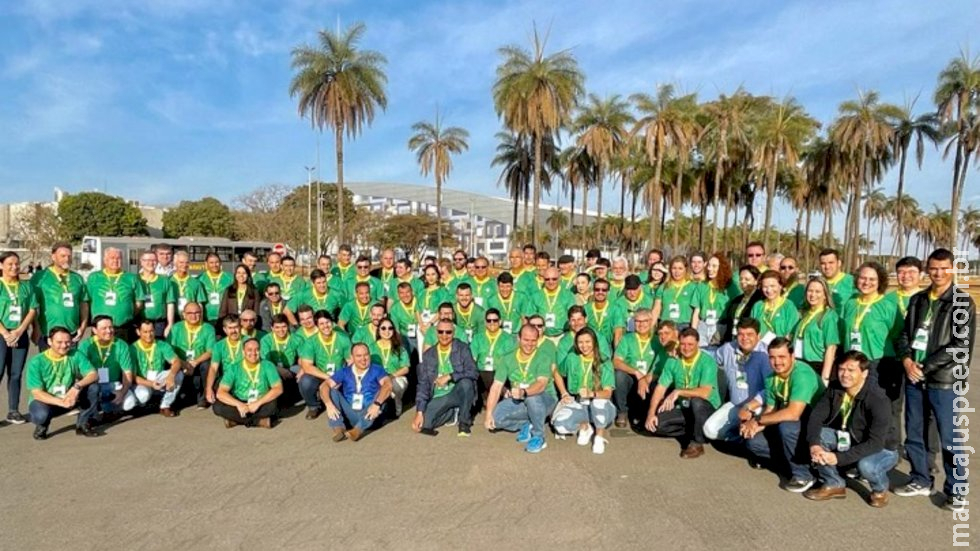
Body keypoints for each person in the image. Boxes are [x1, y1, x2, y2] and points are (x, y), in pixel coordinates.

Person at [895, 248, 976, 511]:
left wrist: (926, 366)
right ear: (927, 270)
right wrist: (907, 360)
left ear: (952, 269)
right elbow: (905, 336)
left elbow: (960, 345)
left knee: (950, 438)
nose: (938, 273)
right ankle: (920, 478)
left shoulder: (962, 302)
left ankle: (956, 489)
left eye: (944, 268)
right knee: (915, 433)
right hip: (915, 378)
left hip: (944, 381)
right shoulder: (918, 300)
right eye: (933, 268)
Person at [804, 351, 898, 507]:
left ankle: (880, 489)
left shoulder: (878, 399)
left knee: (866, 466)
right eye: (841, 369)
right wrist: (814, 444)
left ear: (865, 373)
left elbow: (875, 443)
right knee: (818, 436)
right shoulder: (835, 388)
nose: (845, 374)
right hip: (851, 437)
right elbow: (816, 417)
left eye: (851, 370)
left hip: (882, 448)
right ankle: (834, 483)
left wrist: (839, 458)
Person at [739, 338, 825, 492]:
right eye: (772, 357)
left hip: (815, 422)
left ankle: (804, 475)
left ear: (792, 356)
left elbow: (793, 413)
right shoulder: (772, 378)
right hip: (791, 419)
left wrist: (758, 420)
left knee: (787, 427)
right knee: (753, 443)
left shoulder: (802, 374)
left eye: (782, 357)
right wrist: (753, 426)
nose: (777, 362)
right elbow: (770, 409)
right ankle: (794, 463)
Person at [644, 328, 720, 458]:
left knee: (697, 402)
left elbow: (705, 392)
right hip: (684, 408)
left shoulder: (707, 362)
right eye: (683, 344)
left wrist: (678, 391)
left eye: (690, 344)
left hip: (707, 408)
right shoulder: (673, 360)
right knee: (656, 425)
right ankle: (695, 430)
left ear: (698, 343)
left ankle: (697, 443)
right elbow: (661, 388)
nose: (686, 348)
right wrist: (651, 413)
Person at [484, 324, 558, 454]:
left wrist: (524, 392)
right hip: (519, 400)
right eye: (526, 340)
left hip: (544, 399)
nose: (529, 344)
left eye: (533, 340)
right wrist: (488, 414)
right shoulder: (507, 358)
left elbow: (541, 384)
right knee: (495, 419)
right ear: (519, 339)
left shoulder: (543, 357)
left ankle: (539, 436)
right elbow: (496, 387)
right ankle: (527, 424)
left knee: (532, 398)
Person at [26, 326, 101, 439]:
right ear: (49, 341)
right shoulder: (37, 362)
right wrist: (61, 402)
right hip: (46, 400)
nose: (64, 345)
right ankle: (42, 425)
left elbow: (93, 374)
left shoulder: (75, 354)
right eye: (59, 342)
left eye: (67, 342)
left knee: (93, 388)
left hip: (69, 396)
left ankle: (83, 424)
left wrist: (76, 387)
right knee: (41, 415)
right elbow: (37, 392)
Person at [703, 318, 771, 442]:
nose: (745, 338)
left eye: (750, 334)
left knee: (752, 437)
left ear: (758, 336)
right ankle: (738, 437)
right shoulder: (728, 348)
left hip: (758, 407)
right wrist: (692, 350)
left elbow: (770, 389)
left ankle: (748, 436)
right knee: (709, 430)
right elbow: (712, 356)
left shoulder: (766, 355)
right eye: (741, 334)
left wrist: (749, 406)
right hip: (735, 404)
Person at [553, 327, 616, 454]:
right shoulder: (572, 357)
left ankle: (599, 436)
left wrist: (592, 393)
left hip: (601, 405)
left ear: (594, 342)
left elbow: (608, 393)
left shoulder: (605, 361)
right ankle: (585, 426)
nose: (584, 346)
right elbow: (557, 372)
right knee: (559, 425)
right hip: (580, 403)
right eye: (580, 342)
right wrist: (564, 393)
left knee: (598, 402)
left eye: (588, 342)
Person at [413, 319, 479, 436]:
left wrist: (450, 376)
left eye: (448, 332)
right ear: (436, 333)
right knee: (424, 424)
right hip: (439, 395)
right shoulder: (428, 355)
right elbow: (423, 385)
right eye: (441, 332)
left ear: (453, 333)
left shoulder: (462, 348)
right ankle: (453, 412)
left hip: (456, 392)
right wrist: (419, 411)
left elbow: (473, 372)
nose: (444, 335)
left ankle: (464, 422)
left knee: (466, 383)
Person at [323, 342, 392, 442]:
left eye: (366, 355)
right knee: (331, 391)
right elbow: (324, 386)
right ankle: (338, 429)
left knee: (382, 393)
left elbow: (388, 385)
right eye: (359, 356)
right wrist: (328, 404)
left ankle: (357, 430)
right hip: (351, 413)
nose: (363, 359)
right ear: (352, 357)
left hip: (372, 414)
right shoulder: (345, 371)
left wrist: (377, 404)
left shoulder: (377, 370)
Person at [840, 262, 897, 376]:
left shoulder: (888, 306)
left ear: (880, 281)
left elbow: (897, 335)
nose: (866, 282)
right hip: (851, 363)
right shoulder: (850, 304)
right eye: (863, 278)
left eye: (872, 279)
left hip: (878, 364)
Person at [30, 242, 89, 350]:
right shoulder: (40, 277)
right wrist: (36, 327)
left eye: (69, 256)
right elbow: (32, 306)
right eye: (63, 256)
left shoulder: (77, 278)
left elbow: (83, 304)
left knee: (69, 366)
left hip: (71, 334)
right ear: (53, 257)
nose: (67, 259)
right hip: (48, 334)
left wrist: (83, 327)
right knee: (48, 366)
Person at [213, 338, 282, 429]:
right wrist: (239, 404)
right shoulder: (234, 368)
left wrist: (257, 403)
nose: (253, 353)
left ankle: (235, 420)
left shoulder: (268, 365)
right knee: (217, 407)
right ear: (243, 352)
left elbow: (278, 388)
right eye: (249, 350)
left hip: (261, 402)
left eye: (256, 350)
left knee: (273, 405)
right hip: (240, 401)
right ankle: (258, 421)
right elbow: (221, 393)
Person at [0, 251, 36, 423]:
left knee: (15, 374)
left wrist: (20, 331)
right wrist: (5, 333)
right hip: (2, 334)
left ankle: (13, 410)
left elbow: (32, 309)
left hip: (19, 334)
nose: (14, 267)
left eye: (17, 264)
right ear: (1, 266)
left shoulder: (26, 286)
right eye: (10, 264)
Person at [77, 315, 135, 420]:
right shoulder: (85, 346)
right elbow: (79, 373)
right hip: (93, 385)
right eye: (104, 328)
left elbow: (127, 373)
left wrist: (122, 392)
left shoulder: (121, 345)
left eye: (111, 327)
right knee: (93, 391)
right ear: (94, 330)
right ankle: (91, 413)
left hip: (113, 384)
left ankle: (108, 410)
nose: (109, 331)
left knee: (129, 402)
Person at [297, 311, 352, 419]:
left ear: (332, 323)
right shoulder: (311, 342)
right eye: (321, 324)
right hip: (321, 374)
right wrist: (329, 378)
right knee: (305, 381)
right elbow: (307, 366)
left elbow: (350, 361)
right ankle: (314, 406)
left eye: (327, 322)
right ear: (317, 326)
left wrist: (341, 377)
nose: (325, 326)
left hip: (340, 374)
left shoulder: (343, 338)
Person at [124, 319, 184, 417]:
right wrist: (151, 384)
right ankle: (142, 406)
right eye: (145, 332)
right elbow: (133, 376)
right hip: (142, 381)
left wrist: (171, 375)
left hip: (158, 378)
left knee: (179, 374)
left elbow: (176, 361)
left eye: (151, 331)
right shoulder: (132, 349)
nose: (149, 335)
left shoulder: (161, 345)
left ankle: (165, 405)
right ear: (138, 332)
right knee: (143, 395)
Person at [612, 308, 659, 428]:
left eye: (645, 321)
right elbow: (616, 361)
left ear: (650, 321)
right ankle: (622, 412)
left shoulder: (657, 340)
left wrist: (646, 378)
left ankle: (645, 413)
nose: (641, 324)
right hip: (632, 377)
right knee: (619, 375)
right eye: (637, 321)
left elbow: (663, 366)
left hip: (650, 378)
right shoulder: (627, 339)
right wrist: (636, 373)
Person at [87, 247, 144, 341]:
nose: (115, 261)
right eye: (112, 258)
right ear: (105, 260)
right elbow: (87, 301)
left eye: (118, 258)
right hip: (100, 329)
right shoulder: (94, 277)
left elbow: (139, 303)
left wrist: (126, 314)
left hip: (124, 328)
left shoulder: (131, 278)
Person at [167, 302, 216, 408]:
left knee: (207, 365)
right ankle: (173, 398)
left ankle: (203, 398)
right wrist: (183, 363)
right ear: (183, 314)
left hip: (199, 362)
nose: (194, 316)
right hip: (180, 362)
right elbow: (169, 350)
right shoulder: (176, 328)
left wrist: (195, 362)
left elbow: (210, 351)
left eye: (197, 313)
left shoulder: (208, 328)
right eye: (190, 313)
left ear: (201, 313)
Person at [792, 278, 840, 384]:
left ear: (825, 295)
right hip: (800, 362)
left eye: (817, 291)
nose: (813, 295)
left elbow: (831, 347)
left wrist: (825, 376)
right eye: (810, 291)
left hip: (816, 364)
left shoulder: (828, 316)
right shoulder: (805, 313)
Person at [470, 308, 517, 411]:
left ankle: (497, 395)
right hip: (482, 373)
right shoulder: (478, 337)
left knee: (494, 374)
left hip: (500, 373)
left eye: (495, 320)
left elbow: (509, 361)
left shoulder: (508, 338)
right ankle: (500, 393)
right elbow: (473, 358)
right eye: (489, 320)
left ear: (500, 322)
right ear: (485, 322)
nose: (492, 323)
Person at [367, 317, 410, 417]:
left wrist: (391, 376)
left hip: (396, 378)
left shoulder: (400, 348)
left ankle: (396, 405)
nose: (387, 331)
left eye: (390, 328)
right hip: (377, 378)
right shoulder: (371, 347)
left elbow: (406, 368)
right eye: (383, 328)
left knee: (394, 384)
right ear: (378, 330)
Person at [691, 253, 734, 348]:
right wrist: (693, 332)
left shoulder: (730, 287)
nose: (710, 268)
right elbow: (696, 311)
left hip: (720, 326)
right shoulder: (702, 285)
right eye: (709, 265)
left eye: (714, 266)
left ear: (722, 268)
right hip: (703, 325)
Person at [259, 314, 303, 403]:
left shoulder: (296, 339)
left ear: (288, 326)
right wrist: (281, 370)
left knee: (305, 373)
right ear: (272, 328)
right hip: (273, 368)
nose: (281, 330)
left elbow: (303, 357)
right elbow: (266, 362)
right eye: (277, 327)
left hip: (292, 367)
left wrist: (303, 369)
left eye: (284, 327)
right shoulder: (266, 340)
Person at [205, 314, 246, 406]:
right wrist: (208, 389)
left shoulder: (248, 341)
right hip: (227, 379)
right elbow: (213, 368)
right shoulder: (219, 345)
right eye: (230, 328)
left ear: (240, 328)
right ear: (225, 330)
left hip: (245, 377)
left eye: (236, 327)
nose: (234, 331)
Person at [750, 270, 800, 345]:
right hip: (759, 350)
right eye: (765, 287)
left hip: (780, 350)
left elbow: (792, 333)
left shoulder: (789, 306)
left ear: (781, 286)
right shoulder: (758, 306)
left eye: (772, 286)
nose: (769, 290)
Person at [651, 256, 697, 330]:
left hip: (685, 326)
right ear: (670, 270)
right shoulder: (663, 287)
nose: (677, 272)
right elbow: (656, 309)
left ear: (686, 269)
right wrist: (650, 328)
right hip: (666, 325)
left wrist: (693, 330)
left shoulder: (693, 287)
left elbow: (696, 311)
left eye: (680, 268)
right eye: (674, 268)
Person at [137, 251, 175, 338]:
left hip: (159, 324)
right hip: (140, 323)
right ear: (141, 262)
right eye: (147, 260)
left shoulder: (165, 280)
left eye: (153, 260)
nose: (150, 263)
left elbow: (170, 304)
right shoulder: (135, 280)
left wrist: (170, 324)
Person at [531, 267, 577, 339]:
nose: (551, 282)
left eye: (554, 279)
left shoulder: (568, 295)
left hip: (563, 335)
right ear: (543, 279)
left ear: (559, 279)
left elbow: (574, 316)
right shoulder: (536, 296)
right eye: (547, 279)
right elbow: (530, 317)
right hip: (542, 336)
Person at [722, 265, 763, 343]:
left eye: (747, 279)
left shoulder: (759, 300)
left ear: (756, 281)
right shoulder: (736, 300)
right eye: (741, 279)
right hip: (732, 339)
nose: (743, 282)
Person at [584, 278, 625, 349]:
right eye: (597, 289)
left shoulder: (615, 309)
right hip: (588, 347)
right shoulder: (585, 308)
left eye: (604, 290)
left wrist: (616, 356)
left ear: (608, 292)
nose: (600, 292)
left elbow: (618, 334)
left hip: (607, 348)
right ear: (593, 291)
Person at [198, 252, 233, 327]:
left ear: (220, 263)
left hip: (225, 318)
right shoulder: (200, 279)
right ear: (206, 263)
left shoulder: (230, 278)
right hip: (206, 318)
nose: (214, 265)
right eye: (211, 263)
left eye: (217, 262)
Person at [169, 250, 206, 321]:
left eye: (187, 262)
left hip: (190, 317)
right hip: (173, 317)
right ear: (175, 263)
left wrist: (200, 320)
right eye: (181, 262)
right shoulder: (169, 281)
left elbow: (200, 304)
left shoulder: (196, 282)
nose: (184, 265)